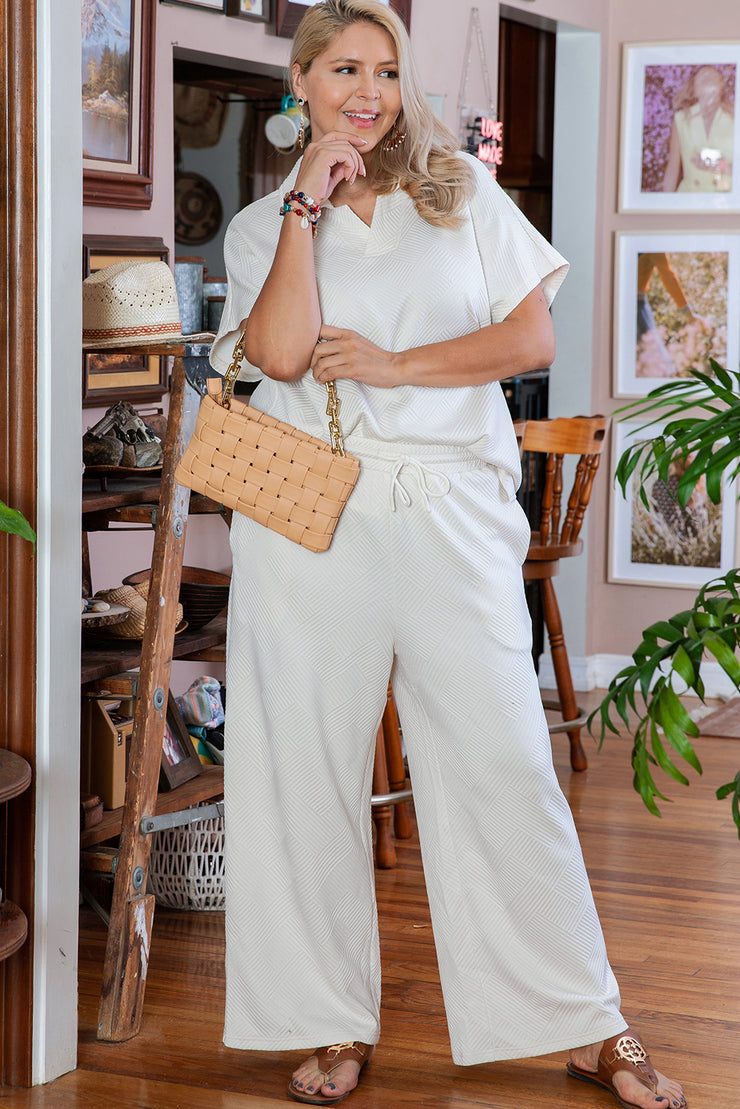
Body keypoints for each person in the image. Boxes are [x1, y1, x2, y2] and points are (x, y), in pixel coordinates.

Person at [209, 2, 688, 1106]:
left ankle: (585, 1019)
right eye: (341, 69)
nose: (366, 91)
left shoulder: (461, 198)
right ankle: (322, 1016)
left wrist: (390, 365)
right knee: (299, 770)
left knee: (502, 760)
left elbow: (528, 341)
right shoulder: (259, 223)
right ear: (301, 84)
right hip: (306, 524)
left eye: (383, 69)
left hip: (451, 515)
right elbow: (278, 352)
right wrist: (300, 210)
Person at [661, 65, 733, 192]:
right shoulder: (681, 119)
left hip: (724, 201)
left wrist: (719, 166)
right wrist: (664, 206)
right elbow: (672, 169)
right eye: (703, 78)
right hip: (689, 200)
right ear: (694, 90)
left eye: (712, 78)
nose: (707, 77)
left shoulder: (734, 119)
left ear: (721, 88)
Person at [636, 251, 708, 378]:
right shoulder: (654, 247)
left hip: (634, 304)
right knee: (658, 363)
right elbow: (668, 276)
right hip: (637, 306)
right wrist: (689, 314)